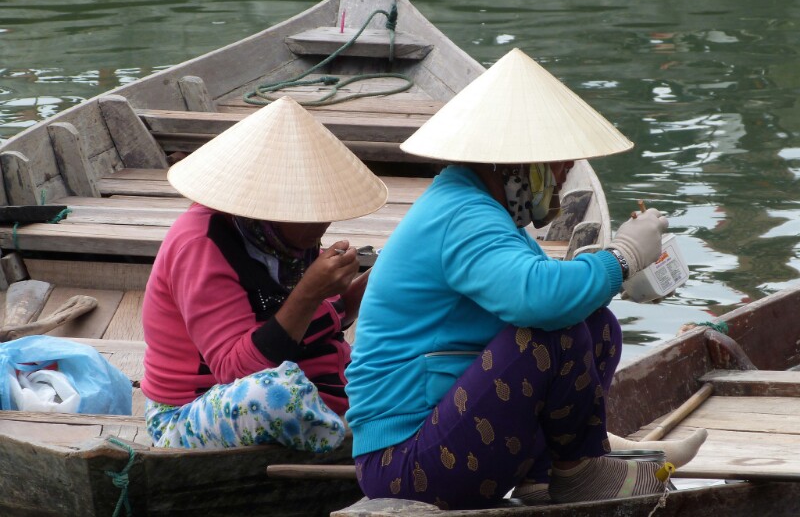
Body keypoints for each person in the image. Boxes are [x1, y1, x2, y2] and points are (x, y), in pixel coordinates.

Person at [344, 48, 705, 509]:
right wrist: (623, 256)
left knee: (597, 327)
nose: (559, 181)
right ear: (517, 162)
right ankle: (579, 473)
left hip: (445, 437)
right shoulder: (462, 214)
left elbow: (550, 288)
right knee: (551, 333)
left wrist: (617, 278)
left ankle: (549, 473)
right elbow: (539, 301)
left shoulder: (486, 214)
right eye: (557, 168)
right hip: (404, 461)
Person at [140, 96, 388, 451]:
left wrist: (384, 272)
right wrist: (310, 291)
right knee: (276, 396)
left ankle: (348, 421)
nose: (320, 224)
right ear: (270, 204)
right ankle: (352, 440)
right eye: (308, 211)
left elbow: (329, 321)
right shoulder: (200, 243)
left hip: (309, 383)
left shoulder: (284, 240)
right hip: (195, 410)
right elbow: (234, 369)